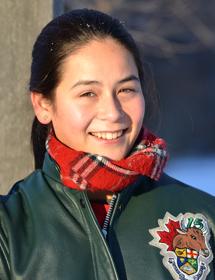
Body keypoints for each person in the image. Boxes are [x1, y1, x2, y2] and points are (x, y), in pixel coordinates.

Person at [0, 9, 214, 280]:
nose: (113, 113)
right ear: (43, 104)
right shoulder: (8, 230)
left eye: (126, 90)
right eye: (88, 93)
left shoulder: (204, 217)